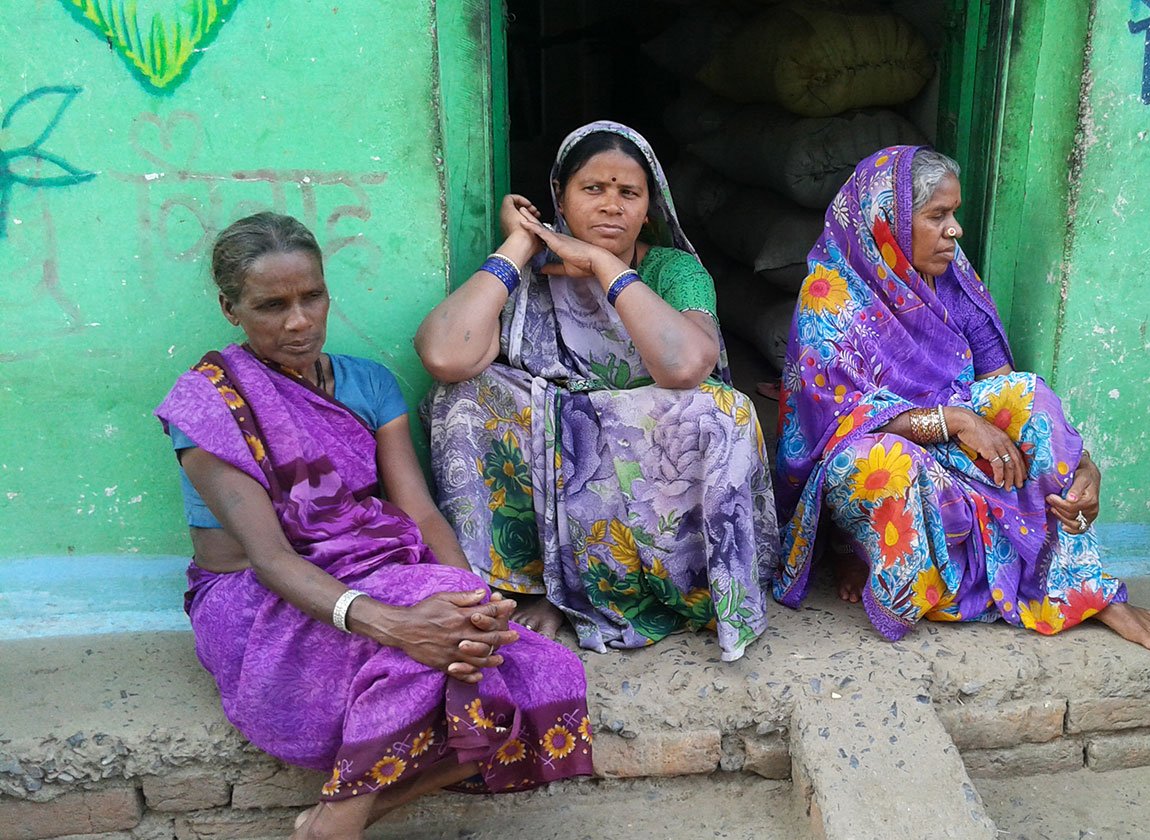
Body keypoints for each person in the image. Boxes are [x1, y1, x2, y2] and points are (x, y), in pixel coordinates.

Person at [156, 213, 592, 840]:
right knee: (433, 665)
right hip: (259, 598)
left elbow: (418, 512)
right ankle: (343, 815)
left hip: (375, 571)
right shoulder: (209, 405)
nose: (299, 321)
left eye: (312, 297)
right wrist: (402, 626)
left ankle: (347, 813)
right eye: (271, 305)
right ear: (231, 309)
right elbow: (273, 559)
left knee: (546, 670)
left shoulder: (367, 384)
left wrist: (475, 599)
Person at [772, 145, 1150, 650]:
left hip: (953, 438)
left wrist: (1078, 462)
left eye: (954, 214)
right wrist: (955, 422)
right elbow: (835, 428)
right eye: (937, 216)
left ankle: (1085, 590)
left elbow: (1002, 388)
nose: (954, 229)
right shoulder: (830, 297)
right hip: (874, 449)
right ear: (886, 222)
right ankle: (865, 554)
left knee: (1031, 396)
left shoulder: (951, 274)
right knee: (890, 464)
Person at [415, 121, 777, 662]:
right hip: (558, 452)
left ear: (649, 208)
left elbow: (685, 367)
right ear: (559, 195)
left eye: (628, 193)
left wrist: (604, 265)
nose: (612, 205)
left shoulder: (673, 269)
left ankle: (682, 587)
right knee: (463, 399)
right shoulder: (528, 270)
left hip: (648, 466)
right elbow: (446, 356)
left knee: (725, 412)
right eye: (593, 189)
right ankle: (533, 589)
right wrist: (519, 243)